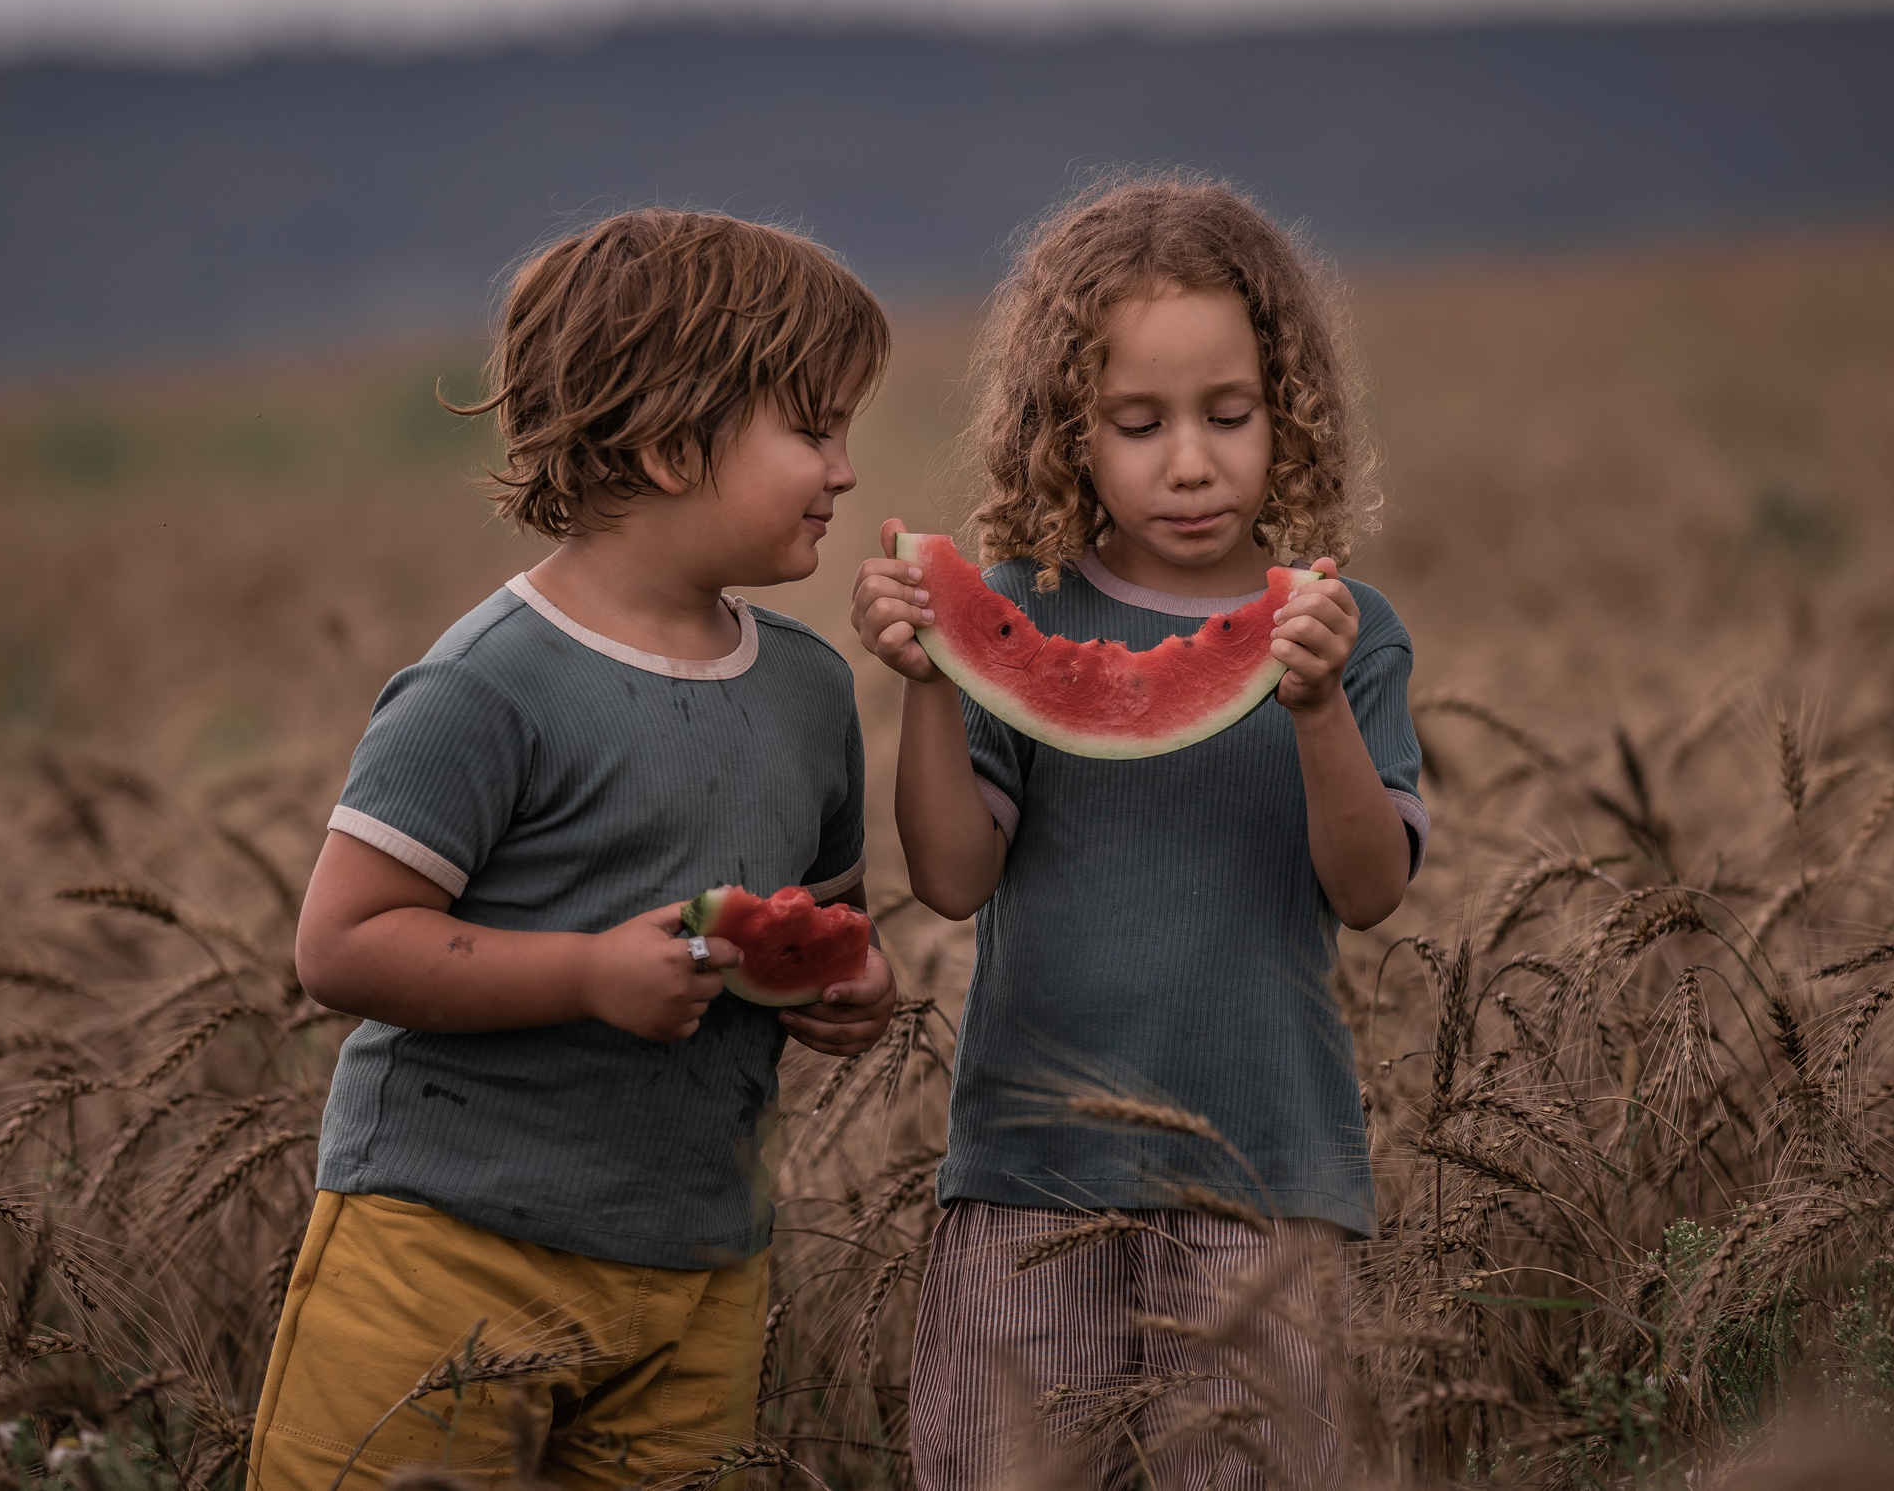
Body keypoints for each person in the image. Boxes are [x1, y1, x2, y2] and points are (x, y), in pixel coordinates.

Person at [250, 210, 902, 1490]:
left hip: (698, 1268)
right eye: (813, 429)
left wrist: (846, 986)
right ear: (669, 447)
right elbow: (341, 945)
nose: (844, 469)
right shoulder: (485, 688)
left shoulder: (811, 693)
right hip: (444, 1251)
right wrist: (584, 978)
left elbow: (826, 915)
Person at [851, 177, 1425, 1488]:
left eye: (1230, 414)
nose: (1189, 459)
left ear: (1290, 411)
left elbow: (1370, 883)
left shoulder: (1349, 627)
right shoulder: (1017, 607)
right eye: (1137, 421)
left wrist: (1319, 704)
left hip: (1266, 1180)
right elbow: (949, 876)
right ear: (1067, 430)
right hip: (1030, 1176)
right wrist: (938, 673)